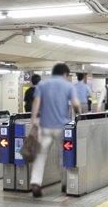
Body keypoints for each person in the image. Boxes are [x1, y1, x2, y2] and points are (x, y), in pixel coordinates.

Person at [30, 63, 81, 198]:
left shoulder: (42, 85)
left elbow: (36, 102)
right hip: (61, 128)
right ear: (65, 73)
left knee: (40, 156)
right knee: (63, 156)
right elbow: (76, 104)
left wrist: (34, 119)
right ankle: (65, 183)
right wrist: (78, 114)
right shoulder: (68, 85)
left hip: (44, 126)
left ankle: (35, 183)